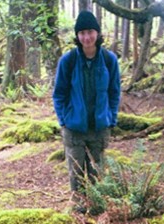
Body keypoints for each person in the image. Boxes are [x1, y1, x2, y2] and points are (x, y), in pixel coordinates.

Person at [52, 10, 121, 213]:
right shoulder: (68, 61)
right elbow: (59, 94)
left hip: (99, 127)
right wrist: (64, 120)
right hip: (74, 128)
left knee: (96, 172)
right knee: (76, 173)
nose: (86, 37)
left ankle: (96, 211)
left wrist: (111, 118)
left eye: (90, 32)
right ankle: (79, 213)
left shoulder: (109, 60)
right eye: (82, 33)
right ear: (77, 36)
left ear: (98, 33)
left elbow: (114, 92)